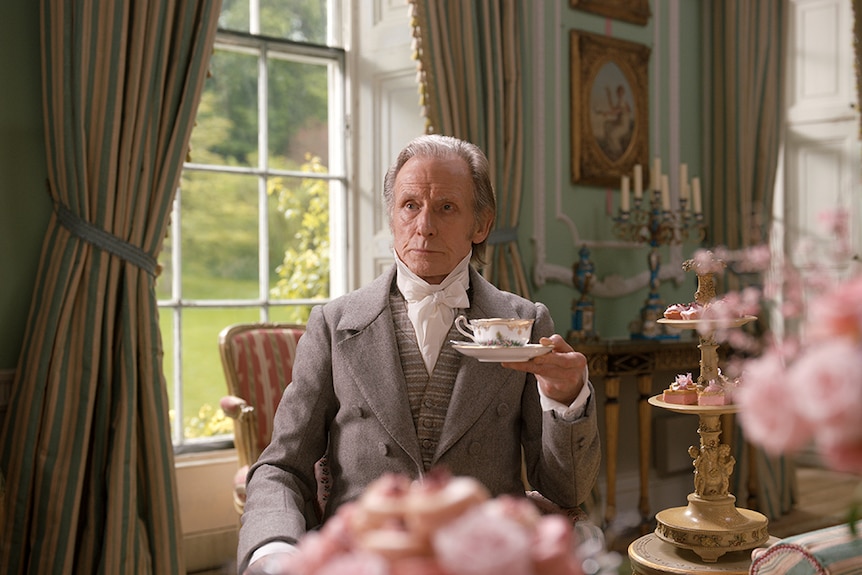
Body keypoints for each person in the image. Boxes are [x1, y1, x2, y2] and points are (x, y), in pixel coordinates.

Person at [238, 134, 600, 574]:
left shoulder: (526, 322)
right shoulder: (333, 325)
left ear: (481, 224)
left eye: (446, 208)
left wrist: (567, 400)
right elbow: (281, 468)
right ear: (393, 216)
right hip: (363, 561)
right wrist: (273, 551)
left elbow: (568, 490)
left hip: (483, 563)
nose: (424, 225)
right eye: (410, 205)